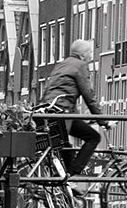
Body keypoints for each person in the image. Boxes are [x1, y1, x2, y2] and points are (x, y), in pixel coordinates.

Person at [41, 39, 105, 179]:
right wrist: (103, 121)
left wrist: (83, 119)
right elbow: (89, 95)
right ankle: (73, 174)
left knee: (65, 146)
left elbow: (59, 92)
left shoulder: (61, 64)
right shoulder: (80, 66)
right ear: (82, 55)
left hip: (52, 111)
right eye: (89, 52)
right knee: (94, 137)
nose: (91, 56)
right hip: (62, 112)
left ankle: (67, 180)